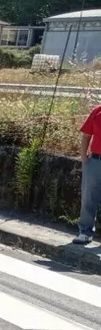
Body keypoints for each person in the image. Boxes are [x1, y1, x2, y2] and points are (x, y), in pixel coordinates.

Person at [74, 103, 101, 243]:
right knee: (88, 198)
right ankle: (85, 232)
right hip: (96, 161)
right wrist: (83, 156)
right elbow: (86, 135)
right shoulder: (97, 110)